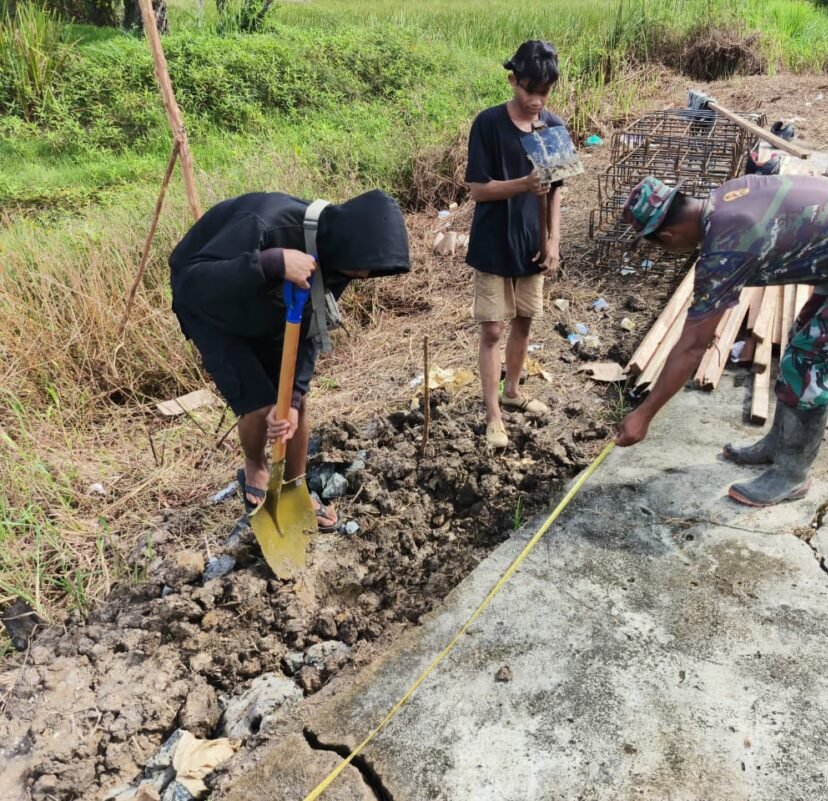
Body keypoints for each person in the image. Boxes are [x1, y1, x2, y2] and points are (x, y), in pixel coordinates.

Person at [614, 174, 828, 506]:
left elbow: (693, 346)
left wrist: (644, 414)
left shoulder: (726, 246)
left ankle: (793, 473)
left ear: (666, 237)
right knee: (800, 341)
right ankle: (780, 444)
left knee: (811, 363)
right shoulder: (727, 197)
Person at [169, 190, 410, 529]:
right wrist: (271, 263)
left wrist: (294, 398)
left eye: (366, 272)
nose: (362, 275)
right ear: (347, 242)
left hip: (268, 310)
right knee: (259, 405)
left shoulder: (341, 261)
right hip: (213, 313)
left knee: (292, 407)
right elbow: (192, 282)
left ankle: (295, 486)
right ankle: (255, 463)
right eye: (361, 269)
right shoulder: (263, 223)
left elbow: (312, 326)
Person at [465, 39, 565, 449]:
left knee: (524, 320)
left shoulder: (553, 127)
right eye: (529, 90)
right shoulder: (488, 124)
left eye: (545, 92)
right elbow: (477, 189)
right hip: (493, 241)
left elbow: (556, 190)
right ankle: (493, 415)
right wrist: (523, 184)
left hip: (532, 242)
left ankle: (513, 392)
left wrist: (553, 240)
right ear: (513, 81)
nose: (537, 100)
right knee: (492, 328)